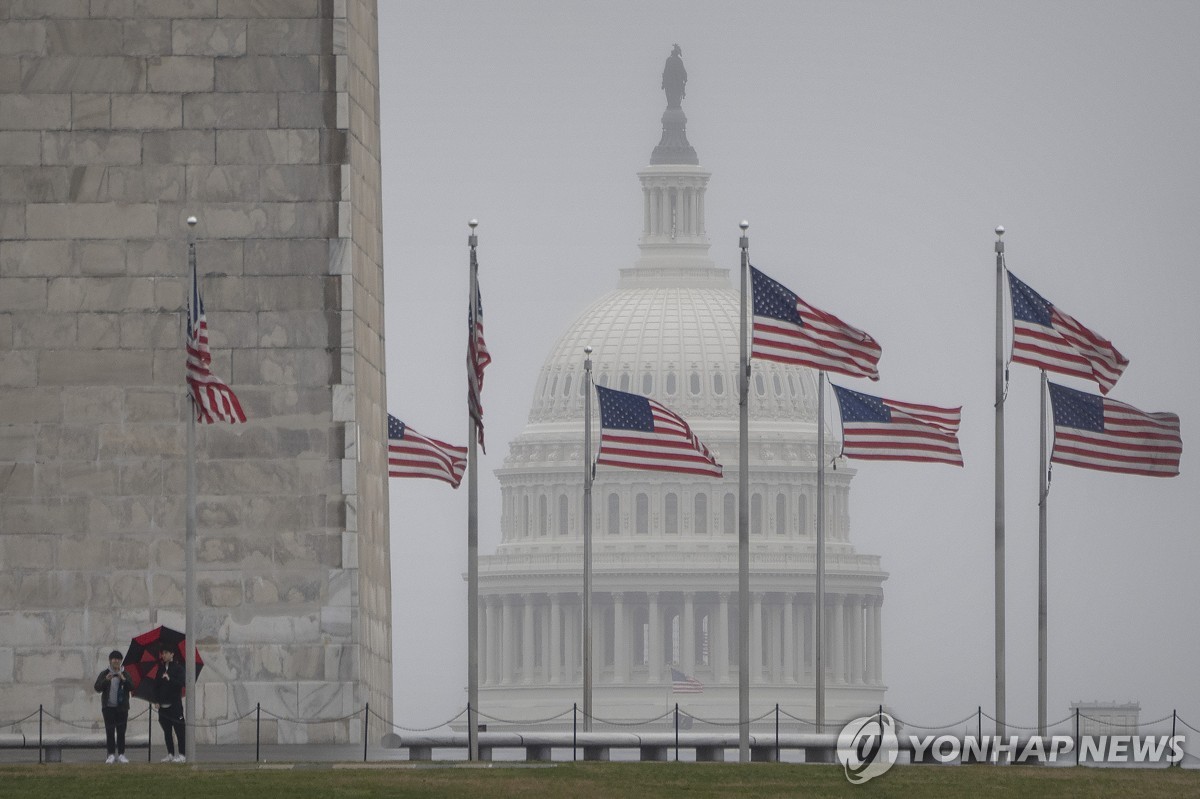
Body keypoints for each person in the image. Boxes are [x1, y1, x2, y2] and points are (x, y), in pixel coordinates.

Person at [93, 650, 134, 764]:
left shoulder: (125, 673)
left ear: (121, 661)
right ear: (110, 661)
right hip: (108, 708)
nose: (116, 661)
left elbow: (131, 687)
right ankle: (110, 754)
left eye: (118, 659)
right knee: (109, 732)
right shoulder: (105, 673)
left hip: (122, 708)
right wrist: (106, 680)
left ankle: (121, 754)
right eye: (114, 659)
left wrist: (123, 680)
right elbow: (97, 687)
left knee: (121, 732)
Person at [153, 647, 186, 763]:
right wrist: (156, 701)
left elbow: (181, 684)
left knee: (179, 731)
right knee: (167, 732)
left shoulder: (178, 668)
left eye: (166, 652)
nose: (164, 655)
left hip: (175, 706)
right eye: (163, 653)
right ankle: (170, 754)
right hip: (163, 707)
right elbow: (156, 686)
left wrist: (169, 678)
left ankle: (182, 755)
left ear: (172, 654)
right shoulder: (160, 669)